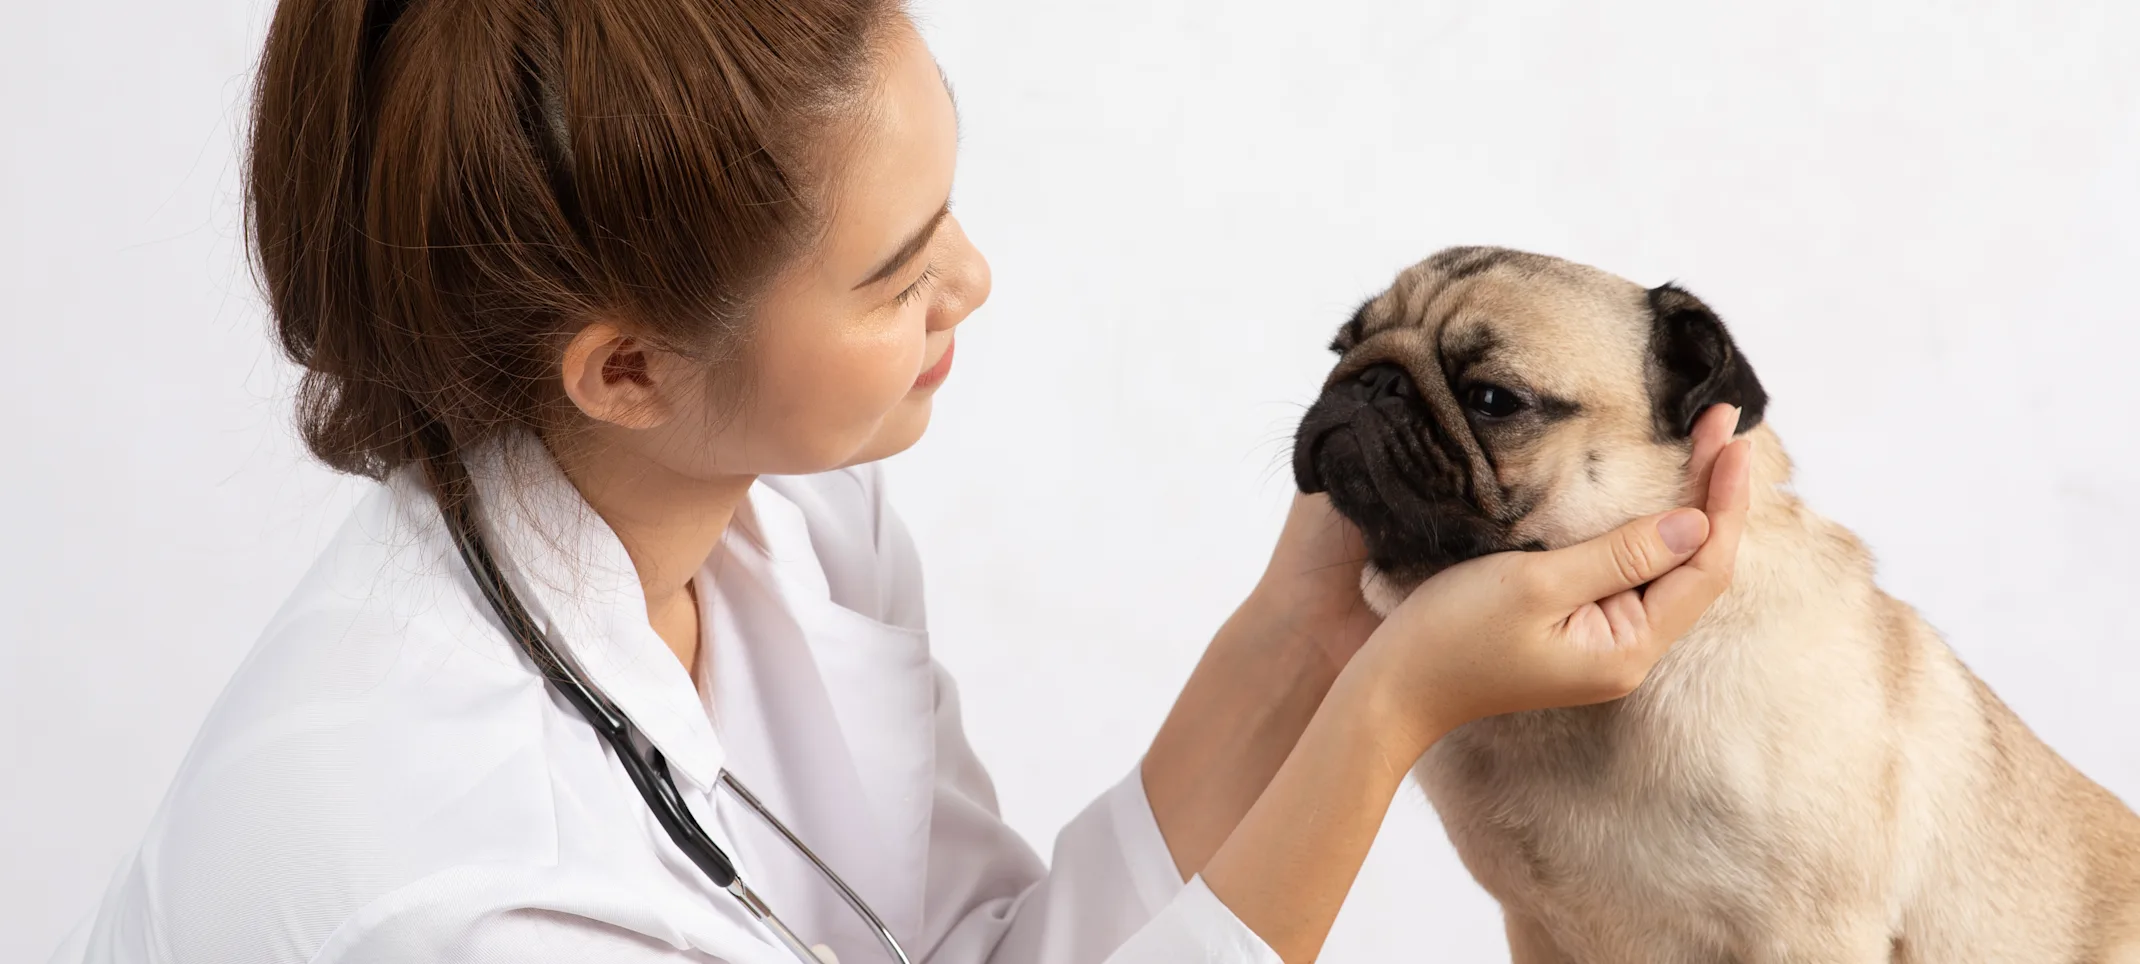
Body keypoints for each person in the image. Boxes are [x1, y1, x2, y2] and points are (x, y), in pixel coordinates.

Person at [54, 1, 1753, 962]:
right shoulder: (478, 893)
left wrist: (1312, 633)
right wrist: (1383, 722)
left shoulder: (775, 506)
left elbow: (971, 959)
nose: (979, 283)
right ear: (628, 365)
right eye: (895, 274)